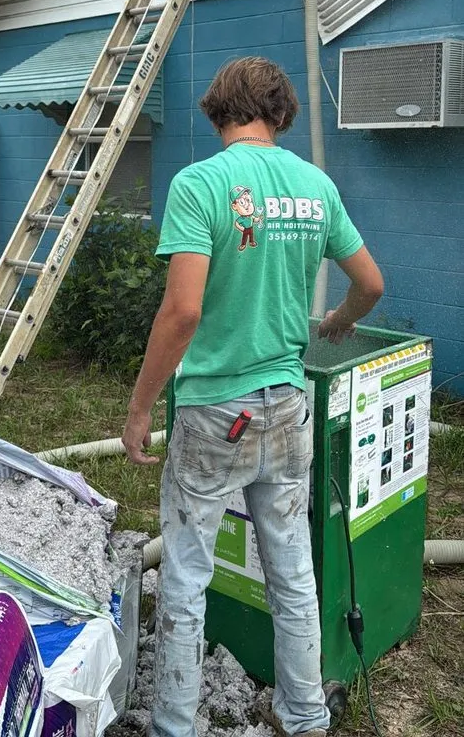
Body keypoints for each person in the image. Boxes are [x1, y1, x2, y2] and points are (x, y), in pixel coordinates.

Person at [122, 56, 384, 737]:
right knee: (292, 574)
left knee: (185, 577)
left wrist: (140, 407)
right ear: (279, 113)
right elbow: (370, 284)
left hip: (215, 413)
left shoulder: (200, 183)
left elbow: (182, 311)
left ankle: (174, 726)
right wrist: (338, 321)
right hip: (287, 407)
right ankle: (305, 715)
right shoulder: (315, 185)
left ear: (218, 110)